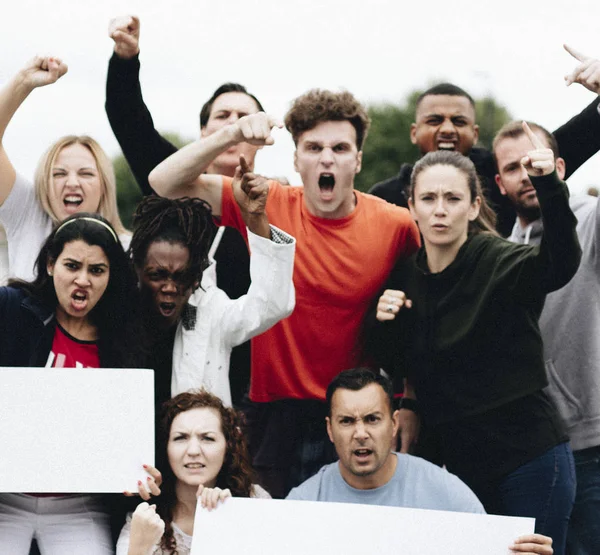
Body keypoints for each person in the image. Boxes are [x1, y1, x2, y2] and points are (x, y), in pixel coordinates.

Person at [149, 89, 421, 497]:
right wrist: (232, 134)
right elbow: (163, 182)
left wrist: (410, 401)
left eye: (340, 148)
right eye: (313, 147)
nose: (326, 158)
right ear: (296, 160)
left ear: (358, 160)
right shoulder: (263, 200)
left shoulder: (396, 224)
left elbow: (418, 318)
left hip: (349, 413)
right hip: (270, 411)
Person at [371, 131, 580, 554]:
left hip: (530, 461)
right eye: (428, 199)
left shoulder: (499, 260)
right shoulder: (404, 276)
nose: (440, 210)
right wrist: (385, 322)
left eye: (452, 198)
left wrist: (550, 188)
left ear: (474, 205)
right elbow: (399, 362)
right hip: (459, 468)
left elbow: (557, 265)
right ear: (411, 207)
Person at [106, 14, 267, 406]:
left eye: (245, 117)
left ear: (262, 135)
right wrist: (126, 59)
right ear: (203, 135)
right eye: (222, 117)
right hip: (172, 377)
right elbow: (130, 122)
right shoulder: (171, 184)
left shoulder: (281, 203)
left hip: (256, 388)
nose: (235, 125)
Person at [285, 368, 553, 555]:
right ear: (330, 430)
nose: (360, 434)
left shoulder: (446, 493)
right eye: (347, 421)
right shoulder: (303, 503)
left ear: (394, 424)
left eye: (372, 419)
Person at [0, 213, 144, 554]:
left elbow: (127, 430)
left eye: (97, 270)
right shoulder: (12, 309)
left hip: (77, 504)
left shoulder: (123, 342)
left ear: (111, 276)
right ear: (50, 265)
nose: (83, 280)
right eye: (72, 266)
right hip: (6, 497)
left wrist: (136, 469)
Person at [494, 120, 600, 555]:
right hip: (530, 451)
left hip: (591, 444)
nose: (527, 174)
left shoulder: (591, 220)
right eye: (514, 168)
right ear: (499, 183)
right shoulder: (499, 247)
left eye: (535, 163)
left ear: (559, 166)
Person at [368, 45, 600, 237]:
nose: (448, 129)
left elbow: (577, 137)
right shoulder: (385, 199)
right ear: (414, 132)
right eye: (435, 120)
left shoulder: (506, 173)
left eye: (459, 121)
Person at [129, 161, 295, 411]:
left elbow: (271, 304)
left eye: (182, 277)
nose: (170, 287)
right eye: (158, 275)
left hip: (196, 447)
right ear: (138, 271)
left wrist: (256, 219)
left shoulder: (208, 311)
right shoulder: (118, 314)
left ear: (196, 278)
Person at [0, 56, 130, 283]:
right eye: (59, 174)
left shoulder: (129, 249)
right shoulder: (28, 213)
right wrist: (23, 82)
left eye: (86, 173)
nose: (72, 183)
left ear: (104, 186)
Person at [116, 390, 270, 555]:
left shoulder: (255, 500)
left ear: (228, 448)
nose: (194, 450)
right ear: (166, 448)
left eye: (207, 438)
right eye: (180, 438)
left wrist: (230, 518)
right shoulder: (146, 519)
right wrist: (139, 549)